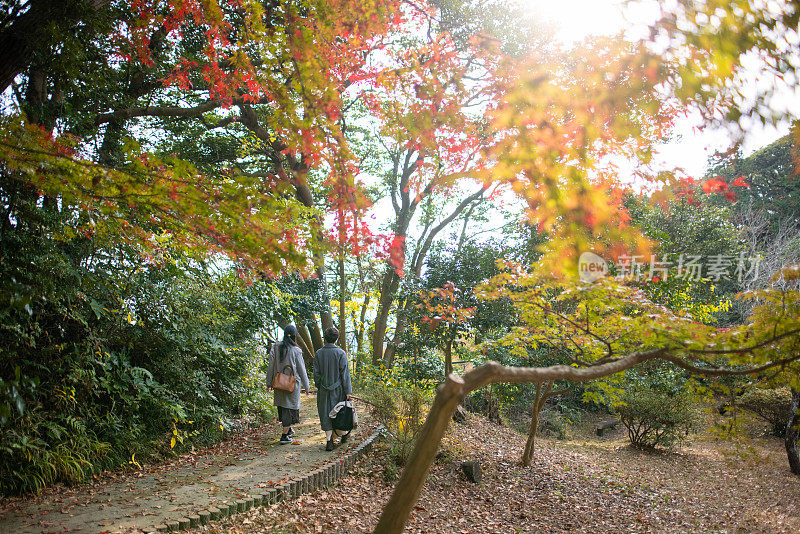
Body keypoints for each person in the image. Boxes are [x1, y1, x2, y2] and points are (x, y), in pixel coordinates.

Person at [265, 324, 310, 444]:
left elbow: (271, 367)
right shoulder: (296, 350)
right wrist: (306, 386)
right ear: (294, 336)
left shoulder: (275, 347)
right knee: (289, 408)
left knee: (282, 406)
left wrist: (269, 383)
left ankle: (288, 429)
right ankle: (284, 436)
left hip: (278, 382)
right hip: (292, 384)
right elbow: (302, 369)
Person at [313, 327, 352, 451]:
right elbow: (345, 374)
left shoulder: (319, 353)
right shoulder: (341, 353)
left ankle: (329, 441)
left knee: (325, 414)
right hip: (338, 389)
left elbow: (316, 374)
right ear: (337, 338)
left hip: (323, 390)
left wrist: (319, 386)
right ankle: (344, 435)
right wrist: (348, 391)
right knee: (339, 413)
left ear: (325, 338)